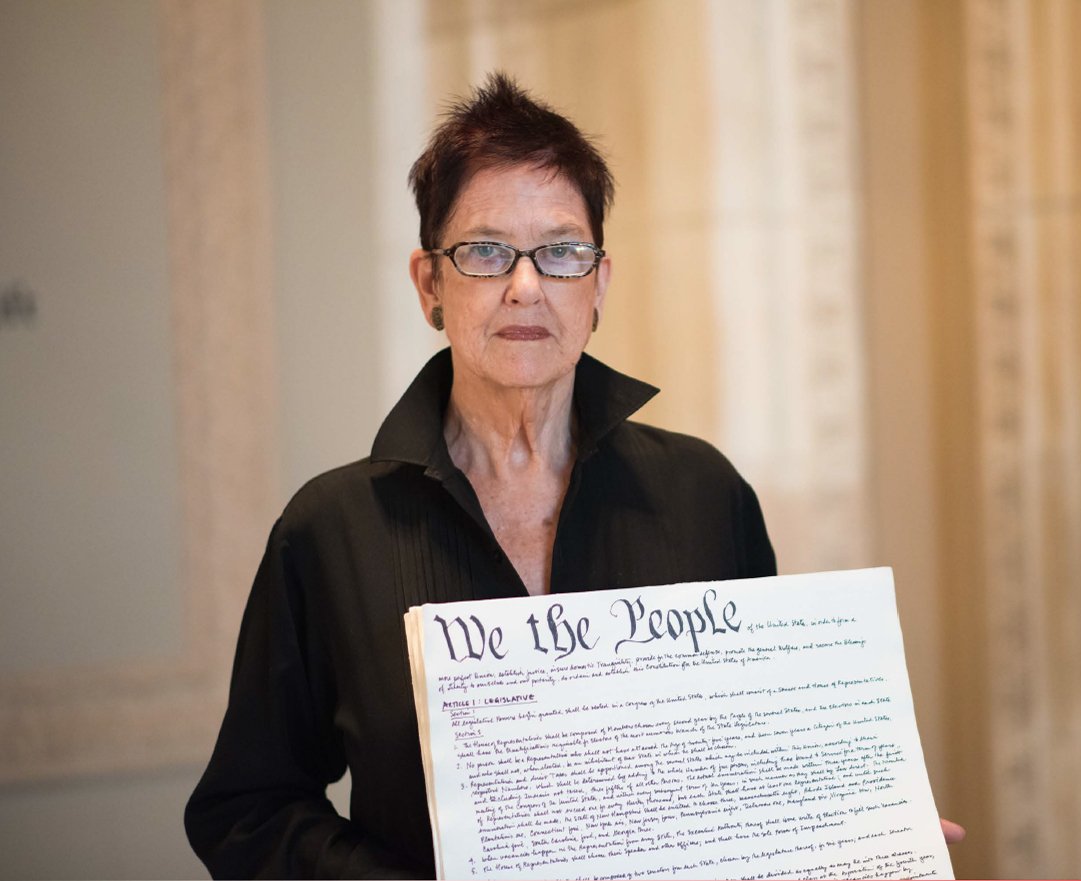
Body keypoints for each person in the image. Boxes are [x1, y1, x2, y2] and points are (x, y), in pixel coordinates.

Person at [185, 73, 778, 878]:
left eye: (562, 251)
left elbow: (760, 762)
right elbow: (246, 811)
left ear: (599, 283)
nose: (526, 285)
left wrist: (861, 824)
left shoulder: (704, 496)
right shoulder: (330, 530)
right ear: (431, 283)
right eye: (487, 251)